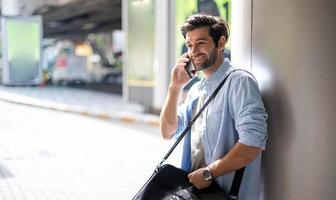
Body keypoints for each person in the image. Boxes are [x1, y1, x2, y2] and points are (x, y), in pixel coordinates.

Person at [159, 14, 268, 200]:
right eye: (189, 45)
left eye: (201, 43)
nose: (194, 51)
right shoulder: (195, 91)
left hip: (226, 195)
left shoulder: (239, 82)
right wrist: (174, 88)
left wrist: (210, 172)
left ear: (221, 43)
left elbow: (253, 142)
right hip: (193, 193)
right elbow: (168, 131)